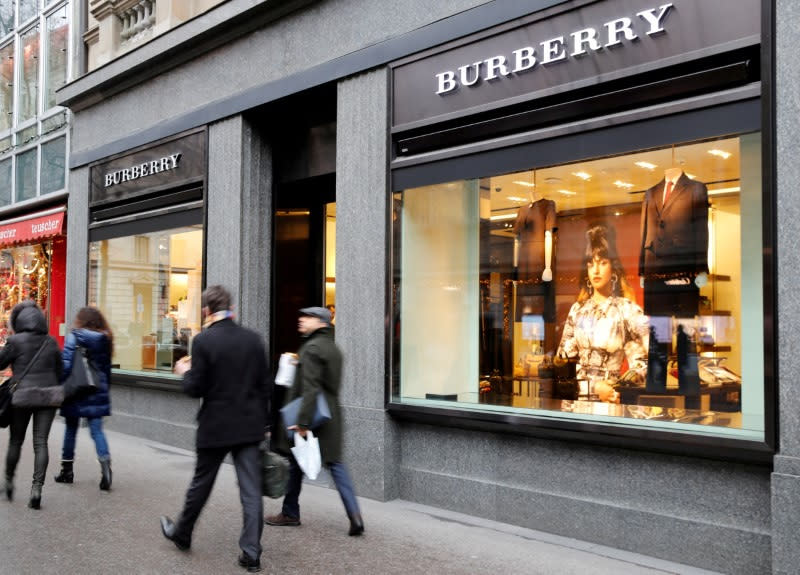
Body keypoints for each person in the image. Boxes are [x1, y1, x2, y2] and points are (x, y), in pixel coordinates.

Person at [159, 285, 270, 573]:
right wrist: (266, 424)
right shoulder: (253, 340)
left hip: (216, 425)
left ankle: (182, 533)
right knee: (250, 490)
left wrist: (185, 372)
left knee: (202, 483)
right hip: (248, 425)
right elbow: (264, 387)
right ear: (229, 306)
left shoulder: (204, 341)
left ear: (207, 310)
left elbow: (196, 387)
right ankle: (251, 553)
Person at [265, 306, 364, 536]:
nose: (301, 320)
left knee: (296, 460)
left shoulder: (312, 348)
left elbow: (310, 389)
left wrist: (303, 423)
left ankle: (290, 513)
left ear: (320, 322)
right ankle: (355, 516)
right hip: (331, 414)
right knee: (335, 465)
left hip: (312, 415)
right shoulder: (333, 347)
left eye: (307, 317)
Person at [556, 225, 649, 403]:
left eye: (602, 263)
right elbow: (563, 362)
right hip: (577, 403)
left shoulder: (627, 310)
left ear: (613, 268)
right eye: (591, 264)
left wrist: (617, 388)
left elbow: (645, 362)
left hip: (611, 402)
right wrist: (592, 387)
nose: (596, 270)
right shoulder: (577, 310)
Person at [0, 300, 63, 509]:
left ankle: (8, 482)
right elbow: (61, 372)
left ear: (18, 321)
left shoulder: (15, 340)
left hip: (23, 398)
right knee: (41, 443)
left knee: (16, 441)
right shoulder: (51, 342)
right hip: (48, 398)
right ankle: (36, 490)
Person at [54, 307, 114, 490]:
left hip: (76, 389)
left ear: (81, 320)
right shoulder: (105, 339)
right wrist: (105, 389)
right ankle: (106, 468)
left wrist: (61, 386)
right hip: (97, 390)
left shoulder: (75, 336)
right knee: (97, 431)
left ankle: (67, 471)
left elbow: (66, 365)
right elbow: (106, 369)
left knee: (71, 430)